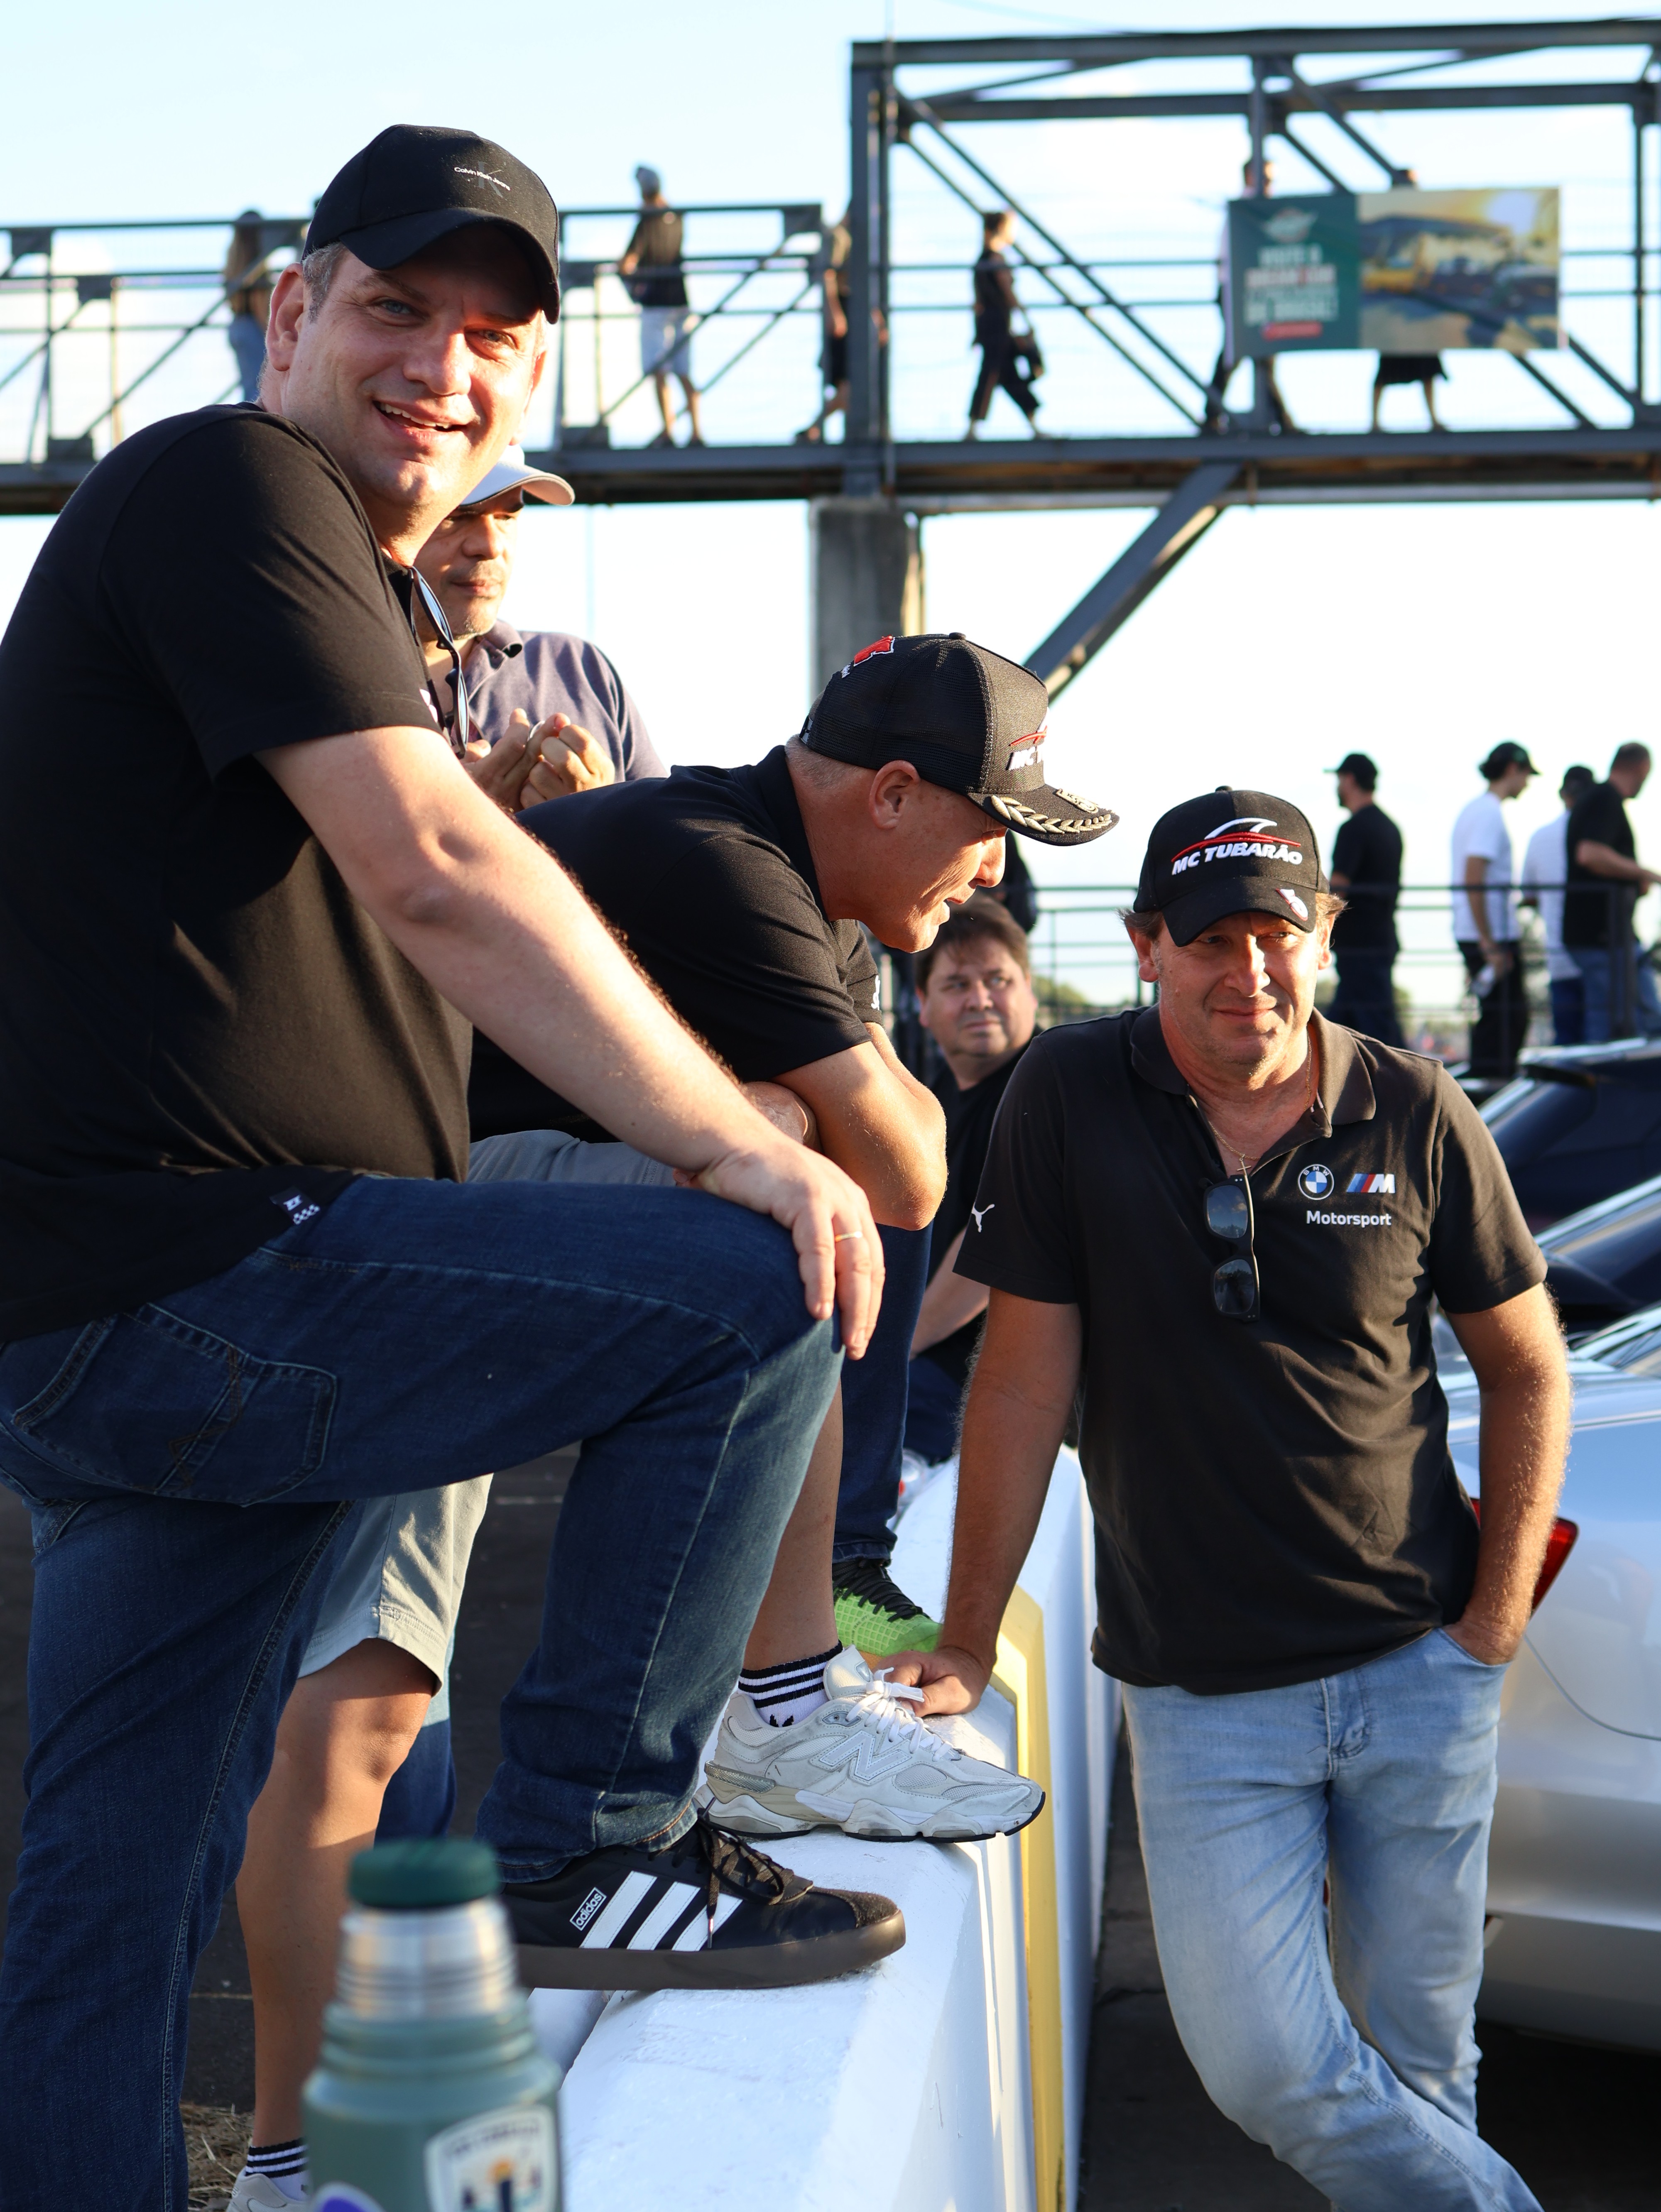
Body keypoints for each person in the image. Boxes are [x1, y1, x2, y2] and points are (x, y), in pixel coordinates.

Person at [0, 125, 897, 2211]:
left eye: (495, 334)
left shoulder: (344, 588)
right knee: (759, 1287)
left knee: (108, 1900)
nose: (446, 364)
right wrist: (724, 1141)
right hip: (195, 1274)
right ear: (288, 312)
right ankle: (593, 1838)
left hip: (127, 1311)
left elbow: (383, 918)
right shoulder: (226, 480)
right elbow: (429, 867)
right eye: (399, 308)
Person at [892, 786, 1568, 2212]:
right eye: (1210, 939)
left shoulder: (1414, 1105)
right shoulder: (1067, 1095)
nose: (1247, 970)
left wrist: (1494, 1623)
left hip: (1420, 1668)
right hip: (1202, 1695)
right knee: (1266, 2064)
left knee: (1422, 2065)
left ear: (1322, 934)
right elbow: (1017, 1386)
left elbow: (1527, 1367)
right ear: (1147, 944)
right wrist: (962, 1636)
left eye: (1276, 934)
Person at [485, 631, 1114, 1794]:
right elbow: (907, 1172)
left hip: (513, 1197)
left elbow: (908, 1162)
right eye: (991, 830)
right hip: (406, 1197)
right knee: (787, 1208)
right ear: (893, 794)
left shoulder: (817, 887)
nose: (995, 874)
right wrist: (789, 1127)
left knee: (793, 1155)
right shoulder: (720, 858)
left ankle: (803, 1629)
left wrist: (793, 1119)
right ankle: (779, 1705)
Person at [416, 440, 667, 807]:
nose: (491, 545)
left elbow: (668, 840)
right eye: (455, 515)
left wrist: (601, 812)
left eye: (508, 517)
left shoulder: (579, 668)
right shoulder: (335, 678)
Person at [904, 900, 1039, 1468]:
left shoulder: (1048, 1084)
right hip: (933, 1361)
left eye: (998, 980)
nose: (981, 1000)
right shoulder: (929, 1096)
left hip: (994, 1380)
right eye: (957, 984)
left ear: (1029, 990)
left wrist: (896, 1348)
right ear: (923, 1004)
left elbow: (996, 1243)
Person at [1562, 742, 1661, 1043]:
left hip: (1602, 934)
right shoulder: (1605, 799)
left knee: (1608, 1022)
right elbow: (1590, 854)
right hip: (1604, 935)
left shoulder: (1598, 799)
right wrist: (1644, 874)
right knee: (1639, 1021)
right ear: (1641, 768)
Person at [1450, 741, 1535, 1081]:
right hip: (1489, 935)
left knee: (1499, 1019)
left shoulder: (1476, 810)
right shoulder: (1488, 813)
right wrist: (1489, 942)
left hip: (1480, 931)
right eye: (1527, 774)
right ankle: (1489, 1093)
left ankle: (1484, 1091)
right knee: (1506, 1022)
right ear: (1513, 770)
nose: (1527, 784)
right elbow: (1474, 877)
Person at [1204, 159, 1296, 434]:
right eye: (1266, 180)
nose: (1270, 187)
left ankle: (1214, 416)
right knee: (1241, 352)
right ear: (1249, 177)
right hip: (1238, 292)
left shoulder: (1255, 211)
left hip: (1251, 291)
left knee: (1255, 353)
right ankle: (1281, 422)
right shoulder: (1246, 211)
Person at [618, 164, 703, 448]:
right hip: (681, 302)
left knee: (659, 371)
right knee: (684, 372)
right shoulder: (677, 217)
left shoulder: (647, 221)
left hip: (656, 305)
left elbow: (627, 263)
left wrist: (633, 289)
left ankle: (668, 431)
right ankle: (697, 432)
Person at [1325, 750, 1403, 1046]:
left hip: (1359, 946)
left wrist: (1315, 926)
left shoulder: (1353, 829)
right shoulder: (1390, 828)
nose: (1337, 787)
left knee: (1376, 1029)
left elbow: (1338, 889)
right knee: (1348, 1024)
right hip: (1380, 939)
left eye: (1339, 779)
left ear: (1350, 780)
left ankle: (1404, 1075)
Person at [1520, 764, 1597, 1046]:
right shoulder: (1599, 837)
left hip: (1559, 956)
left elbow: (1528, 894)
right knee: (1602, 1044)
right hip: (1597, 956)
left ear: (1563, 794)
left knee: (1566, 1044)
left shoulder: (1540, 837)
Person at [966, 210, 1041, 440]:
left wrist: (976, 332)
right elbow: (1008, 293)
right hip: (998, 324)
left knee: (1007, 374)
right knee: (993, 372)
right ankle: (973, 428)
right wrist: (1026, 319)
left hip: (991, 325)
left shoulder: (982, 261)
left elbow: (977, 302)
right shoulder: (996, 261)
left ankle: (1032, 424)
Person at [796, 206, 852, 444]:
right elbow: (828, 274)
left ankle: (814, 430)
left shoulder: (850, 237)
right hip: (843, 310)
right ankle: (814, 429)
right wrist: (834, 311)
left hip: (850, 310)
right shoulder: (839, 236)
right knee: (850, 386)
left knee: (850, 388)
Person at [224, 208, 277, 404]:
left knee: (250, 386)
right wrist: (269, 332)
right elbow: (258, 302)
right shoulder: (255, 261)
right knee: (260, 388)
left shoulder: (233, 261)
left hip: (238, 325)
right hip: (254, 326)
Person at [1372, 352, 1445, 431]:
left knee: (1428, 371)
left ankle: (1434, 420)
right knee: (1384, 373)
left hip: (1420, 348)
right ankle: (1375, 423)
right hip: (1396, 348)